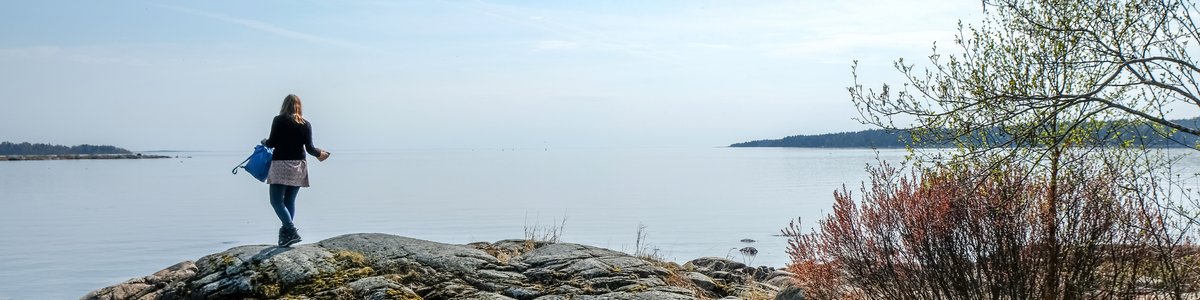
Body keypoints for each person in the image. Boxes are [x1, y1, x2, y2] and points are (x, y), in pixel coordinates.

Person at [260, 94, 330, 247]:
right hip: (299, 166)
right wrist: (321, 153)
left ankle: (290, 229)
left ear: (284, 105)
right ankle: (287, 236)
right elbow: (310, 149)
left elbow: (271, 143)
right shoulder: (306, 124)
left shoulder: (279, 120)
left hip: (281, 164)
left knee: (276, 201)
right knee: (289, 201)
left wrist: (264, 141)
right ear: (299, 106)